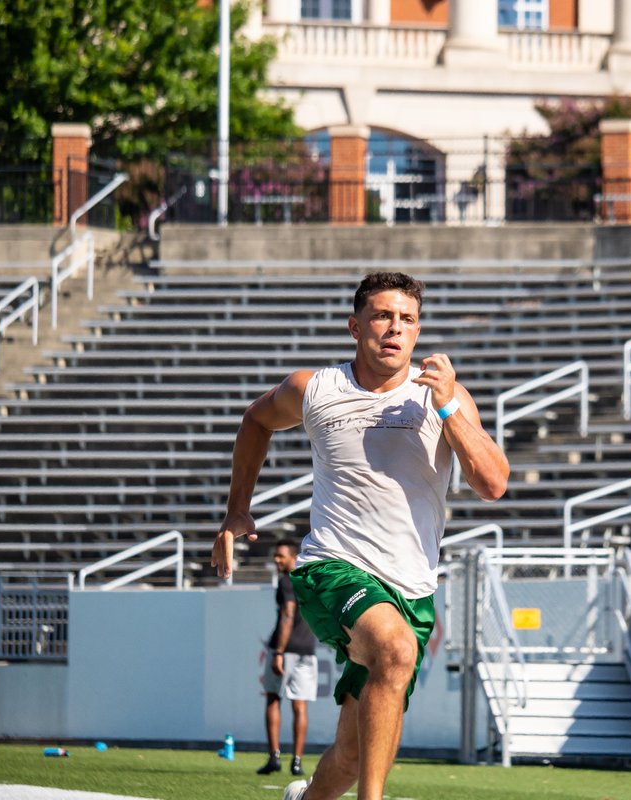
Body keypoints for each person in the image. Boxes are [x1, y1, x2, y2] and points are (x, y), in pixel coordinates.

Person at [212, 271, 509, 800]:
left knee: (352, 753)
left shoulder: (445, 398)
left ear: (418, 333)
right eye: (382, 316)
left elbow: (492, 483)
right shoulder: (315, 388)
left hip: (412, 590)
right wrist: (237, 512)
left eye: (408, 320)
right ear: (356, 326)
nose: (395, 329)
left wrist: (448, 407)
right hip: (332, 567)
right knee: (394, 651)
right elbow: (254, 421)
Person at [257, 538, 319, 777]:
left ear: (294, 557)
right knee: (300, 705)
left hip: (285, 648)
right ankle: (297, 761)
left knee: (273, 698)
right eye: (275, 555)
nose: (276, 560)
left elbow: (288, 614)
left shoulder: (286, 581)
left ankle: (274, 757)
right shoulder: (308, 580)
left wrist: (279, 652)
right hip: (307, 649)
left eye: (281, 556)